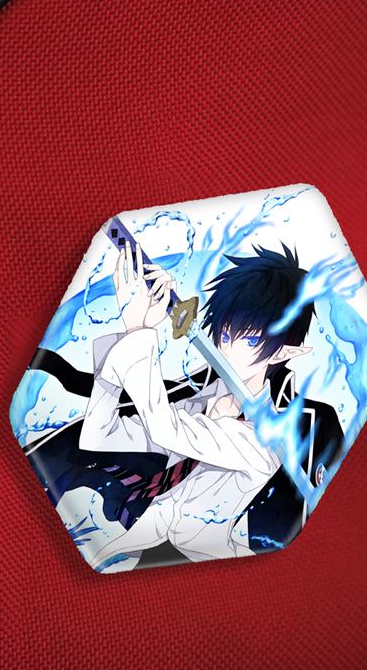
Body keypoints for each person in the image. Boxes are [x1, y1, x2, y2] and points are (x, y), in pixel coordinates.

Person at [78, 241, 341, 566]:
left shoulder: (265, 438)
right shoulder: (199, 404)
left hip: (202, 565)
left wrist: (138, 331)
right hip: (128, 549)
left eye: (252, 340)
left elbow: (165, 430)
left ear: (285, 352)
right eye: (225, 335)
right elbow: (100, 436)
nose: (228, 350)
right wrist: (123, 346)